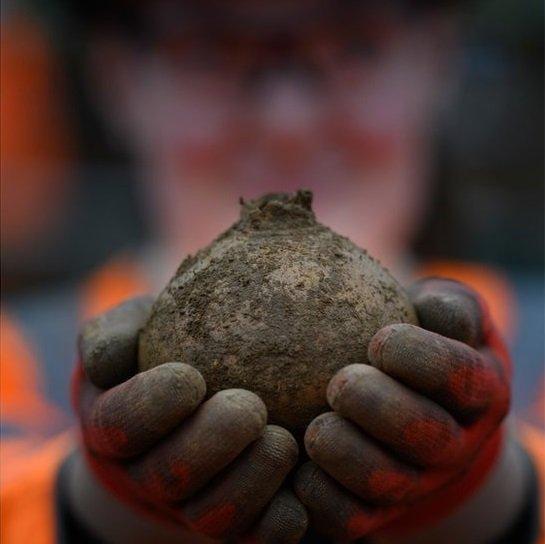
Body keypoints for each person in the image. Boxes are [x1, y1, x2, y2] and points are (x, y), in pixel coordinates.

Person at [1, 1, 543, 543]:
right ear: (115, 77)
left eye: (357, 45)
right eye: (210, 51)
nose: (288, 123)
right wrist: (97, 509)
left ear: (440, 60)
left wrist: (490, 501)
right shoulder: (13, 358)